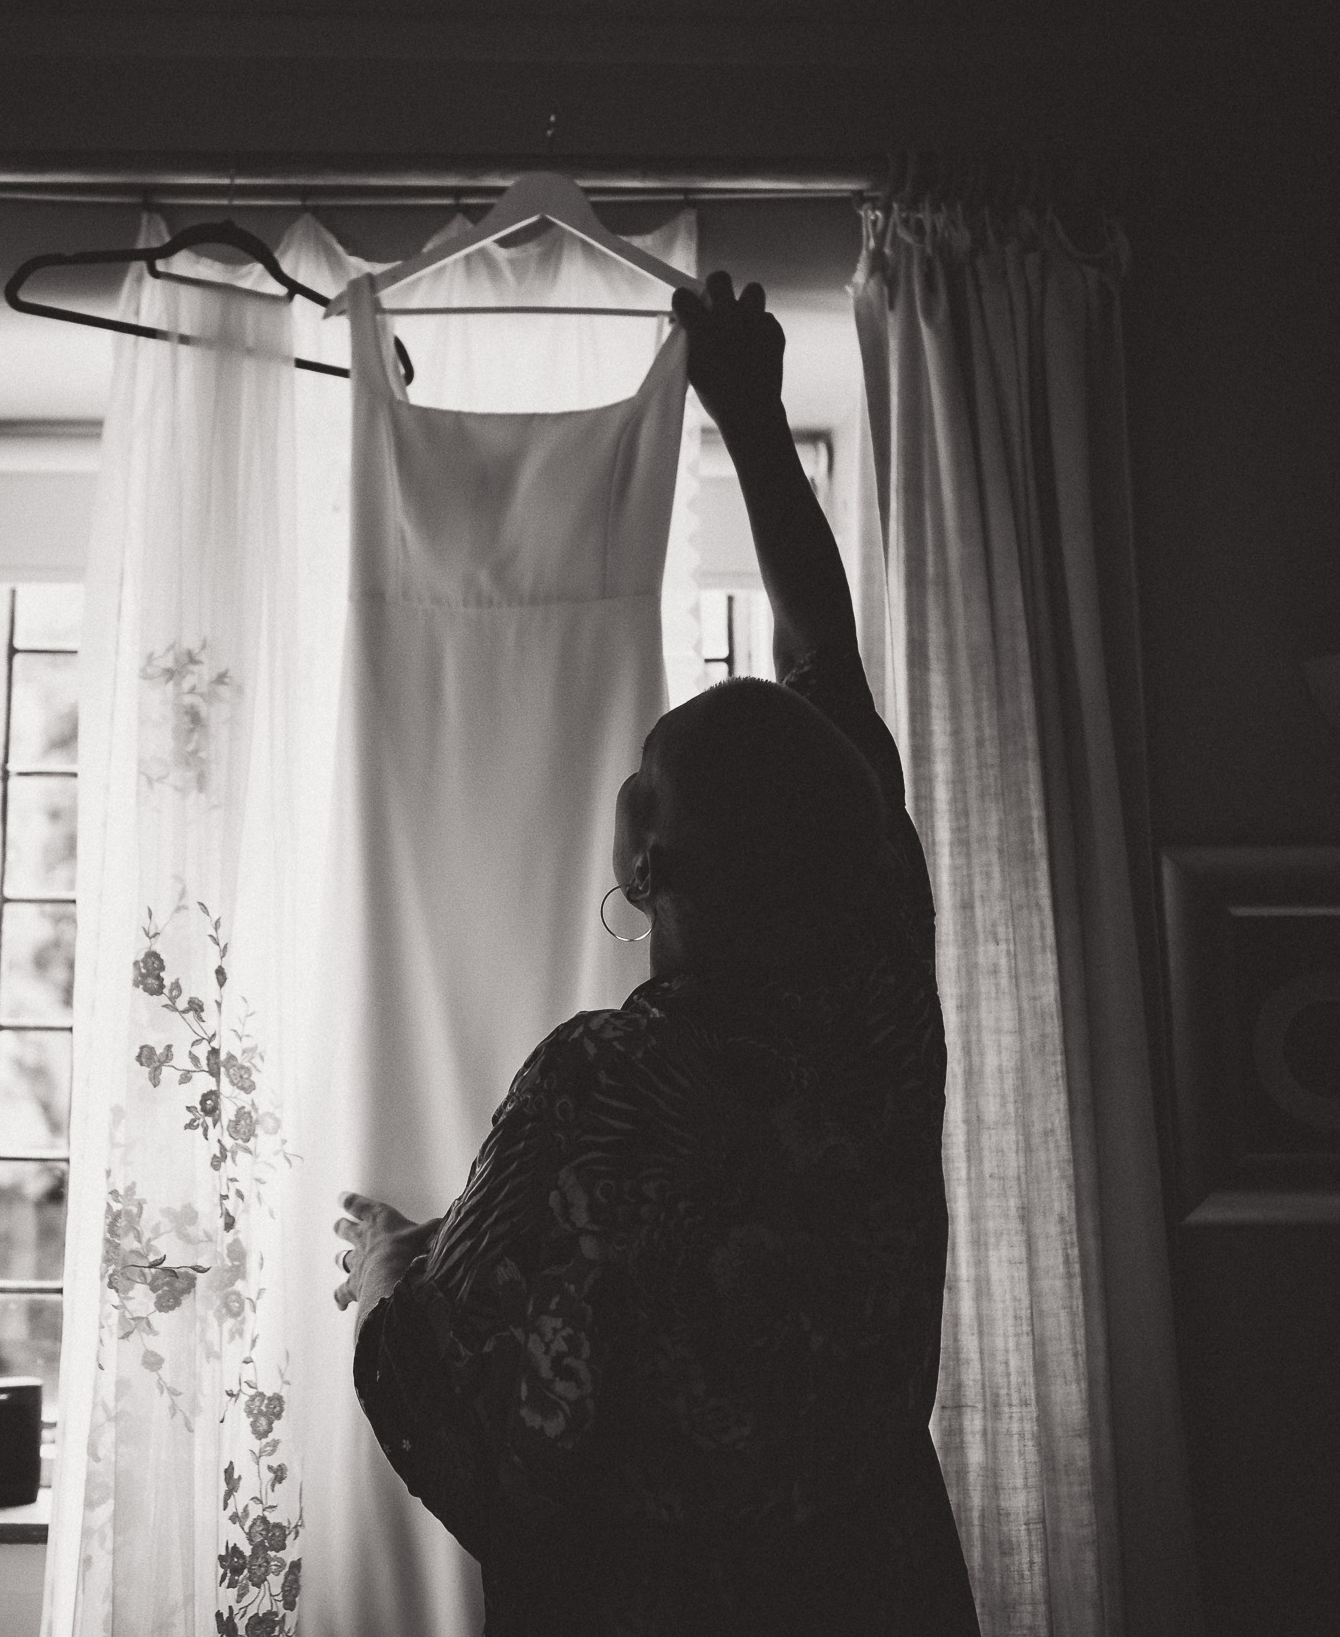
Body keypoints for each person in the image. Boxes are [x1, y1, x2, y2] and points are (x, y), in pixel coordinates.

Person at [329, 272, 981, 1635]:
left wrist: (395, 1263)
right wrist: (748, 412)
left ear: (650, 866)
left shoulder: (606, 1084)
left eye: (648, 782)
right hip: (879, 1583)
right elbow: (826, 657)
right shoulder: (879, 983)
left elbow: (479, 1421)